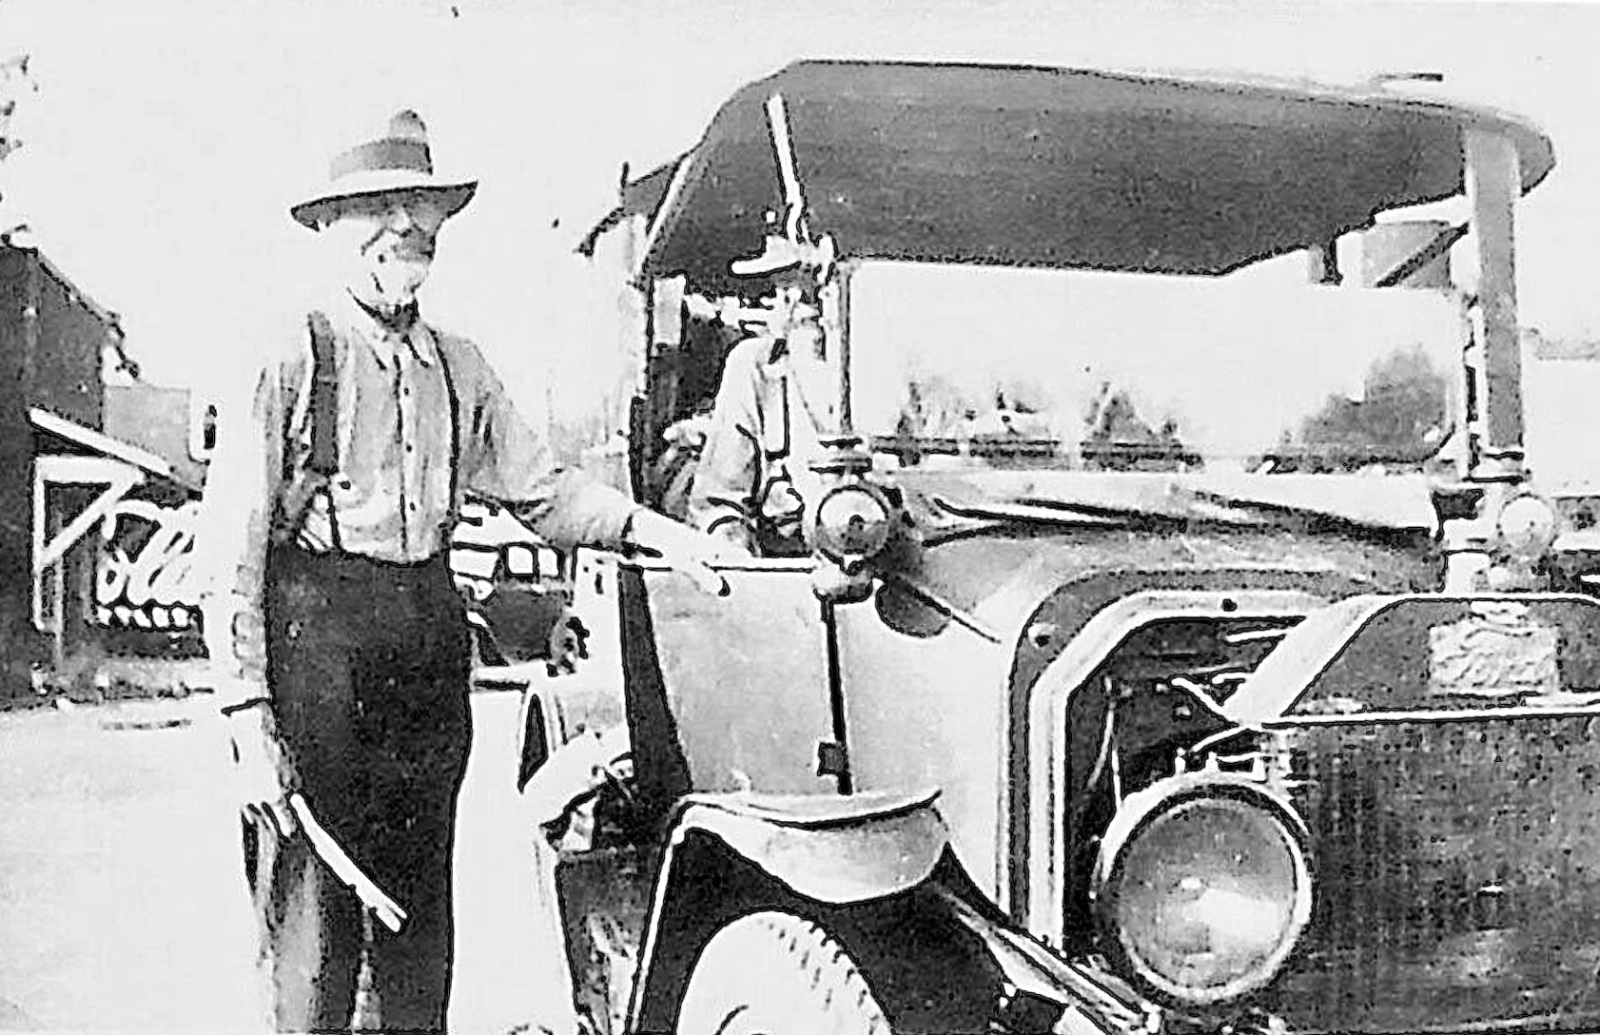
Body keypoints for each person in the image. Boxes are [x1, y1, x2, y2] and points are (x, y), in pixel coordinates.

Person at [199, 109, 721, 1034]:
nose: (404, 226)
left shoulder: (459, 365)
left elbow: (545, 491)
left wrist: (662, 535)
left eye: (421, 206)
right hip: (316, 655)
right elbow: (230, 548)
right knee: (314, 944)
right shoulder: (287, 354)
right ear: (329, 225)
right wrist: (248, 716)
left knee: (419, 938)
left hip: (425, 654)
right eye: (378, 207)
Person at [688, 234, 838, 556]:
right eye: (784, 284)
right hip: (795, 567)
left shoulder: (891, 371)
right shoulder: (755, 366)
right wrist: (736, 553)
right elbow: (720, 503)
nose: (798, 295)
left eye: (819, 280)